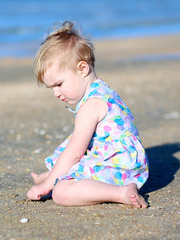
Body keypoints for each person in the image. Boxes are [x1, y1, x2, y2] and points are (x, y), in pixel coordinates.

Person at [27, 21, 149, 208]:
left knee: (61, 192)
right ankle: (53, 174)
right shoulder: (102, 90)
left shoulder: (90, 106)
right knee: (67, 151)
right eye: (51, 88)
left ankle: (120, 192)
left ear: (82, 69)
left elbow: (75, 154)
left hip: (120, 169)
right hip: (125, 161)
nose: (56, 93)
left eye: (59, 84)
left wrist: (46, 186)